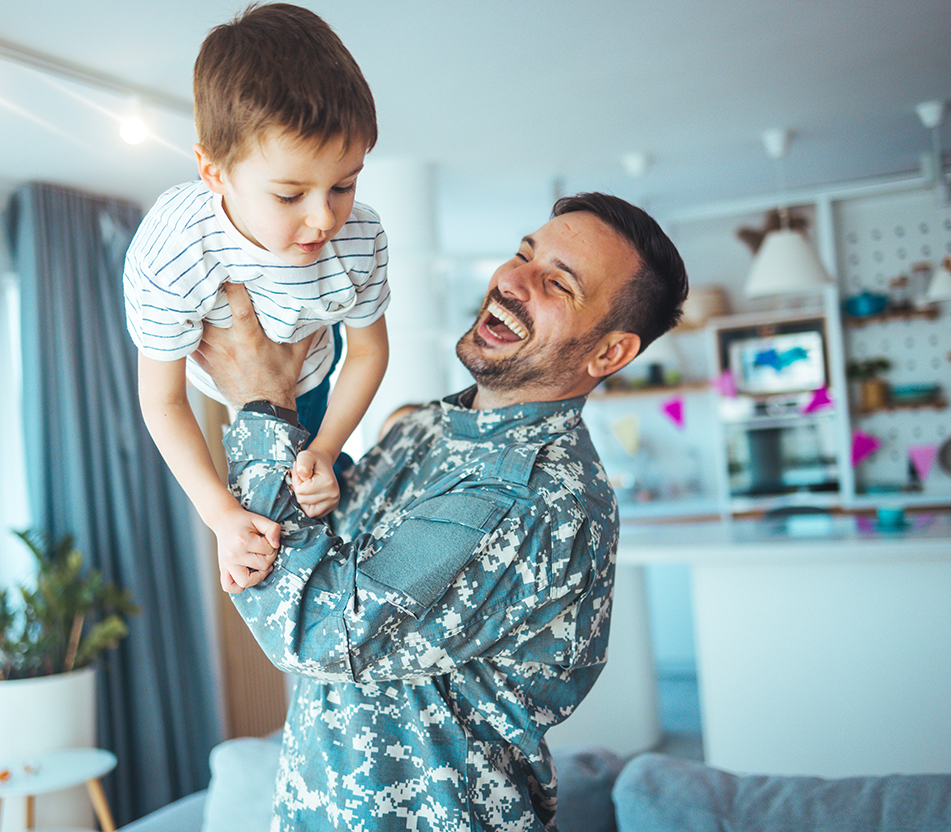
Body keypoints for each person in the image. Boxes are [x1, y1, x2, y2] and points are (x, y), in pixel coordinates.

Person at [194, 192, 688, 831]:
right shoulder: (426, 427)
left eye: (557, 284)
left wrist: (262, 404)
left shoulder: (537, 498)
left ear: (609, 354)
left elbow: (319, 627)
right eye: (524, 255)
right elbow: (323, 540)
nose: (512, 281)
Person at [123, 3, 389, 587]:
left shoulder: (361, 237)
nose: (324, 219)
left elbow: (369, 351)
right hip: (214, 380)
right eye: (290, 195)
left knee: (317, 490)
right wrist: (219, 514)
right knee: (257, 527)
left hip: (315, 369)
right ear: (215, 173)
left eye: (344, 184)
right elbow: (163, 400)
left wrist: (326, 447)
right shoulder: (174, 250)